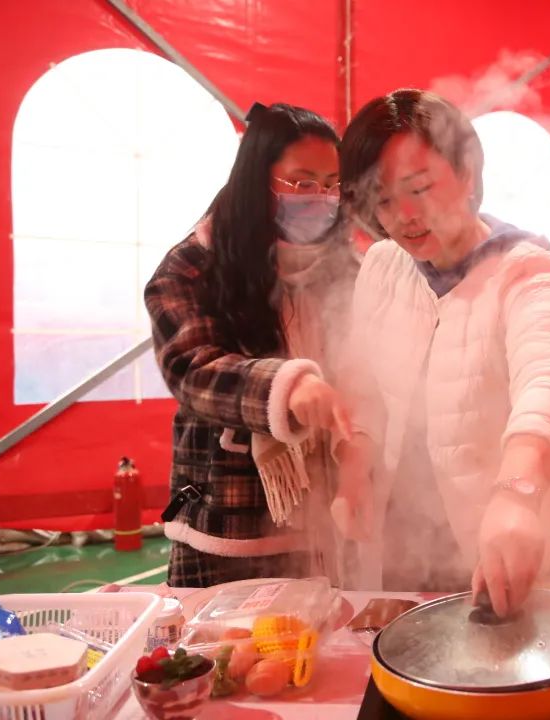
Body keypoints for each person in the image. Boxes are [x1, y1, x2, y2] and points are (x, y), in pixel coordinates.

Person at [330, 89, 550, 617]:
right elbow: (364, 387)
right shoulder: (383, 266)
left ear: (468, 173)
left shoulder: (526, 269)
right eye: (381, 199)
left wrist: (516, 494)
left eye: (419, 189)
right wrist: (354, 470)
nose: (402, 215)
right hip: (407, 546)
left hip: (509, 544)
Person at [145, 102, 358, 587]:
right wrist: (291, 387)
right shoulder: (191, 266)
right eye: (302, 183)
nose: (319, 198)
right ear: (256, 180)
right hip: (229, 518)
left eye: (331, 185)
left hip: (327, 517)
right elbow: (194, 370)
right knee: (227, 656)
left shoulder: (343, 266)